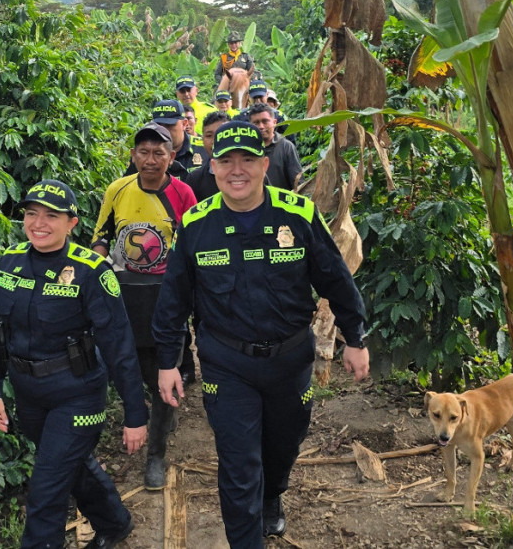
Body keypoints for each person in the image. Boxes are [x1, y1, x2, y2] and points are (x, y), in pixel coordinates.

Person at [152, 121, 369, 547]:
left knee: (282, 446)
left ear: (265, 164)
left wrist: (355, 338)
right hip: (226, 363)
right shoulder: (196, 223)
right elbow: (173, 299)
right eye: (227, 161)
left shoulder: (298, 214)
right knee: (239, 464)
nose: (238, 170)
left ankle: (273, 496)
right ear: (213, 168)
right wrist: (166, 362)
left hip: (289, 360)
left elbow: (335, 278)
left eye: (247, 160)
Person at [0, 179, 148, 548]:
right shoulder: (9, 262)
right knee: (66, 465)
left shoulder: (90, 270)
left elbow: (119, 346)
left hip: (77, 394)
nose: (38, 223)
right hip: (28, 394)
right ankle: (114, 522)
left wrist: (135, 415)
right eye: (31, 213)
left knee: (46, 489)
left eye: (51, 216)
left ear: (72, 223)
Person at [92, 124, 197, 491]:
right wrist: (98, 266)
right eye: (144, 152)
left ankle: (156, 454)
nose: (150, 160)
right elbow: (102, 235)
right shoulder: (117, 190)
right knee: (128, 365)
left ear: (171, 157)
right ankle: (139, 419)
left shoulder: (183, 193)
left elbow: (192, 246)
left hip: (165, 296)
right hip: (124, 293)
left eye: (159, 153)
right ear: (133, 156)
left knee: (164, 372)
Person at [249, 102, 302, 190]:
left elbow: (297, 182)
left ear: (274, 122)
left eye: (265, 121)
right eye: (256, 123)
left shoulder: (286, 147)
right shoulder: (246, 149)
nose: (261, 126)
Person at [184, 110, 230, 201]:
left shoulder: (249, 173)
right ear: (202, 139)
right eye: (209, 136)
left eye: (221, 134)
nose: (215, 141)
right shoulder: (195, 179)